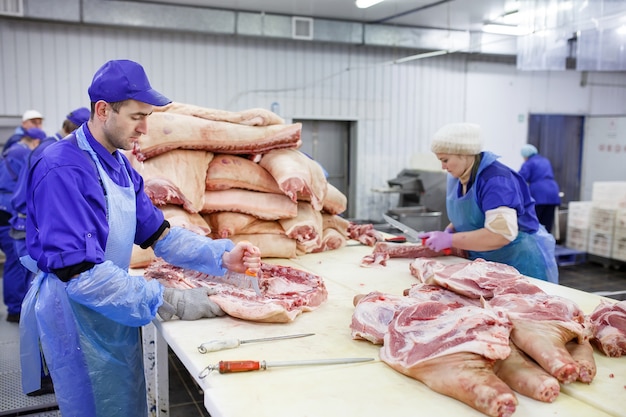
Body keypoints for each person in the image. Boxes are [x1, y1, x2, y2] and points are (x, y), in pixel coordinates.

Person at [19, 59, 261, 416]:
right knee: (92, 406)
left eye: (148, 116)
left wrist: (222, 257)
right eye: (137, 117)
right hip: (77, 315)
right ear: (103, 110)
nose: (144, 129)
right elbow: (80, 274)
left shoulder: (118, 165)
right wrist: (173, 301)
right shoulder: (62, 168)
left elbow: (159, 235)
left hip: (115, 307)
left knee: (124, 402)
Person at [418, 123, 558, 283]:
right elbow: (470, 213)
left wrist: (451, 240)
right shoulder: (458, 176)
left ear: (464, 154)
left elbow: (500, 234)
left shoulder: (496, 180)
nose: (443, 167)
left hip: (516, 264)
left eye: (445, 160)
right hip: (483, 264)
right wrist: (449, 230)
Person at [0, 127, 46, 323]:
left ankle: (14, 308)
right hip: (11, 211)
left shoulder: (10, 151)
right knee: (15, 263)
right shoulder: (25, 153)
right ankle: (15, 309)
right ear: (35, 142)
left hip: (4, 207)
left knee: (13, 262)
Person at [519, 144, 561, 233]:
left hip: (539, 191)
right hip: (553, 190)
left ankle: (537, 243)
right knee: (548, 221)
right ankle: (547, 242)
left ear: (525, 155)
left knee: (536, 220)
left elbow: (521, 178)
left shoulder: (529, 163)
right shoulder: (545, 160)